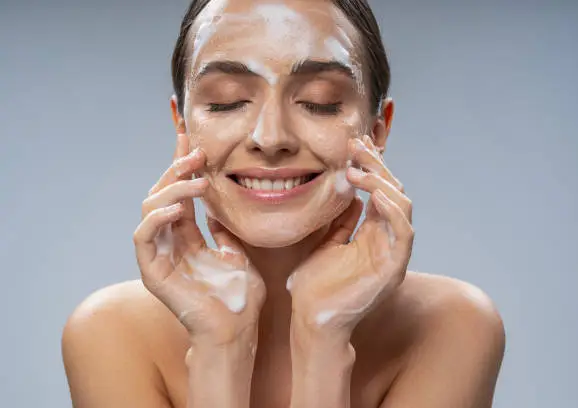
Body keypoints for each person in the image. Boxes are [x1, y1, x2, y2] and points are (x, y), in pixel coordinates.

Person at [61, 0, 506, 407]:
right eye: (227, 102)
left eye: (321, 104)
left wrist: (323, 342)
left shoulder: (453, 327)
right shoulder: (109, 333)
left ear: (378, 129)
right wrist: (219, 352)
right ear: (182, 125)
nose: (270, 138)